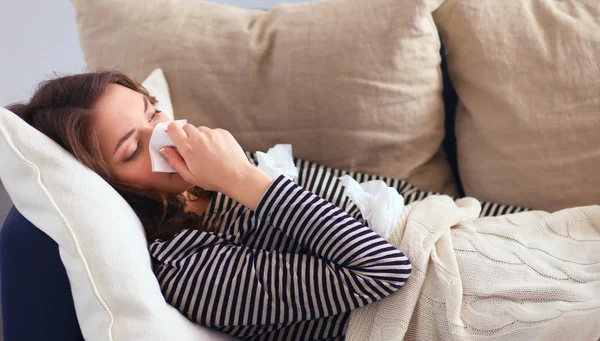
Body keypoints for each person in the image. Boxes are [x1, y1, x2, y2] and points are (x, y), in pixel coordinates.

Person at [7, 71, 412, 341]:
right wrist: (241, 178)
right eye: (133, 149)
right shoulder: (188, 267)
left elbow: (389, 197)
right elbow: (384, 270)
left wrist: (238, 175)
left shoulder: (221, 179)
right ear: (107, 186)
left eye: (154, 112)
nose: (167, 136)